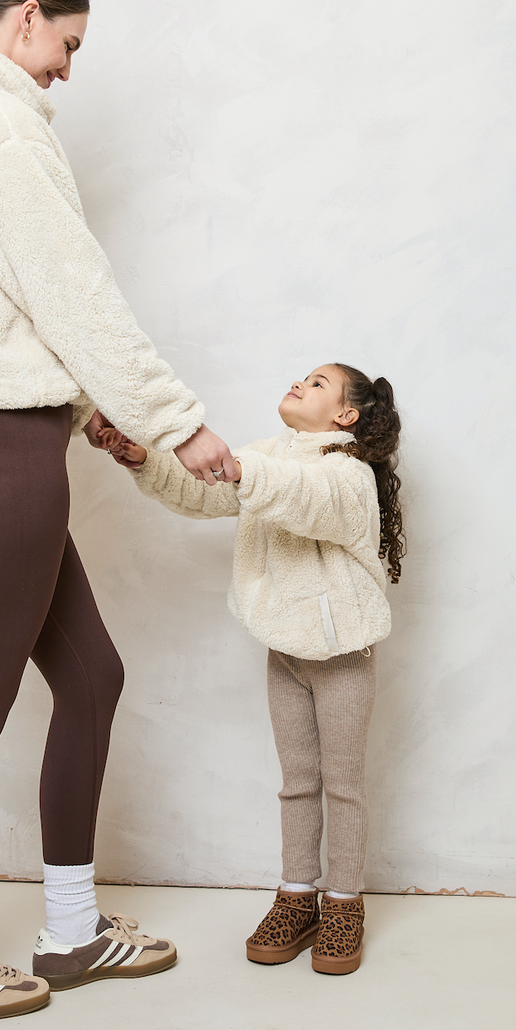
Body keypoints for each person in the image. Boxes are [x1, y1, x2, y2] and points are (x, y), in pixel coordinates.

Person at [0, 0, 239, 1019]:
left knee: (89, 679)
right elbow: (77, 295)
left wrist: (91, 419)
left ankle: (73, 932)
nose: (68, 72)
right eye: (67, 45)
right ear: (28, 17)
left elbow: (13, 308)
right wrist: (173, 421)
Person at [103, 363, 405, 975]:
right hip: (286, 649)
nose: (300, 383)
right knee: (296, 782)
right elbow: (204, 491)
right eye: (303, 376)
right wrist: (143, 458)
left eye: (318, 384)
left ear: (346, 415)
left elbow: (304, 497)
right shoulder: (269, 456)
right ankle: (297, 893)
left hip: (343, 652)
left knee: (342, 784)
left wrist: (243, 470)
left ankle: (344, 899)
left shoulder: (347, 474)